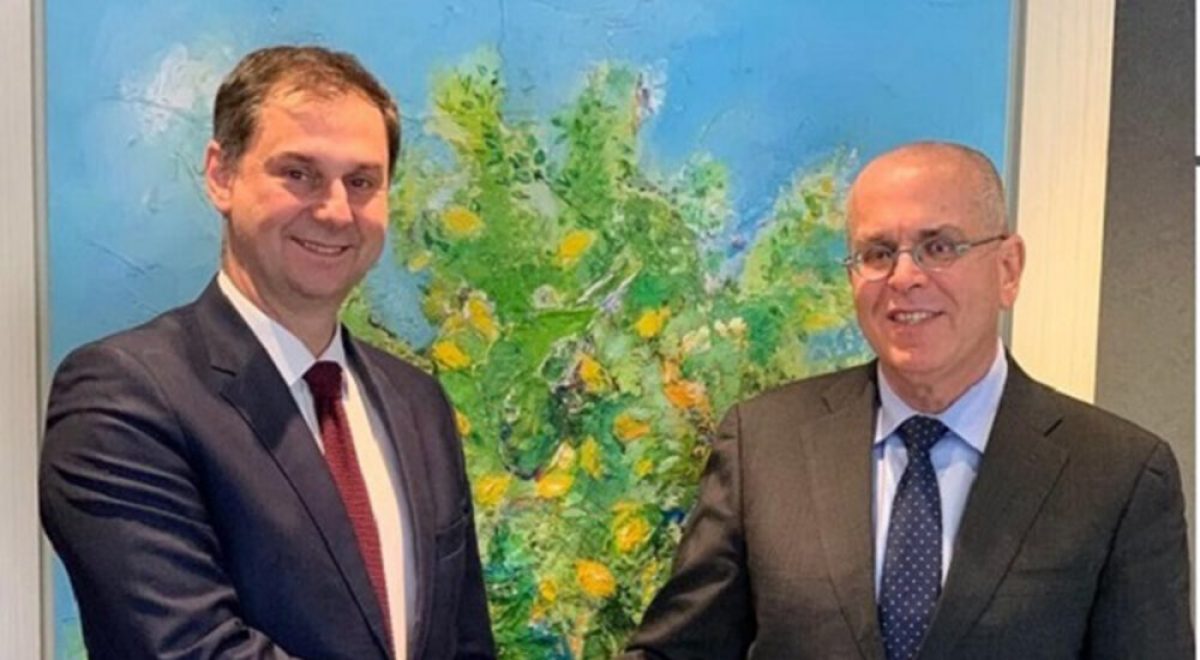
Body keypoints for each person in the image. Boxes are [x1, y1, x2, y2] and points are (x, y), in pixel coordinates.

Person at [623, 141, 1192, 659]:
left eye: (938, 247)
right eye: (877, 253)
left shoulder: (1117, 476)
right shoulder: (764, 446)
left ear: (1008, 269)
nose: (904, 277)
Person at [41, 45, 495, 660]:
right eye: (299, 174)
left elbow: (466, 645)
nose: (335, 211)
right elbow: (188, 649)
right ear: (221, 175)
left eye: (362, 182)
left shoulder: (419, 405)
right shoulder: (123, 398)